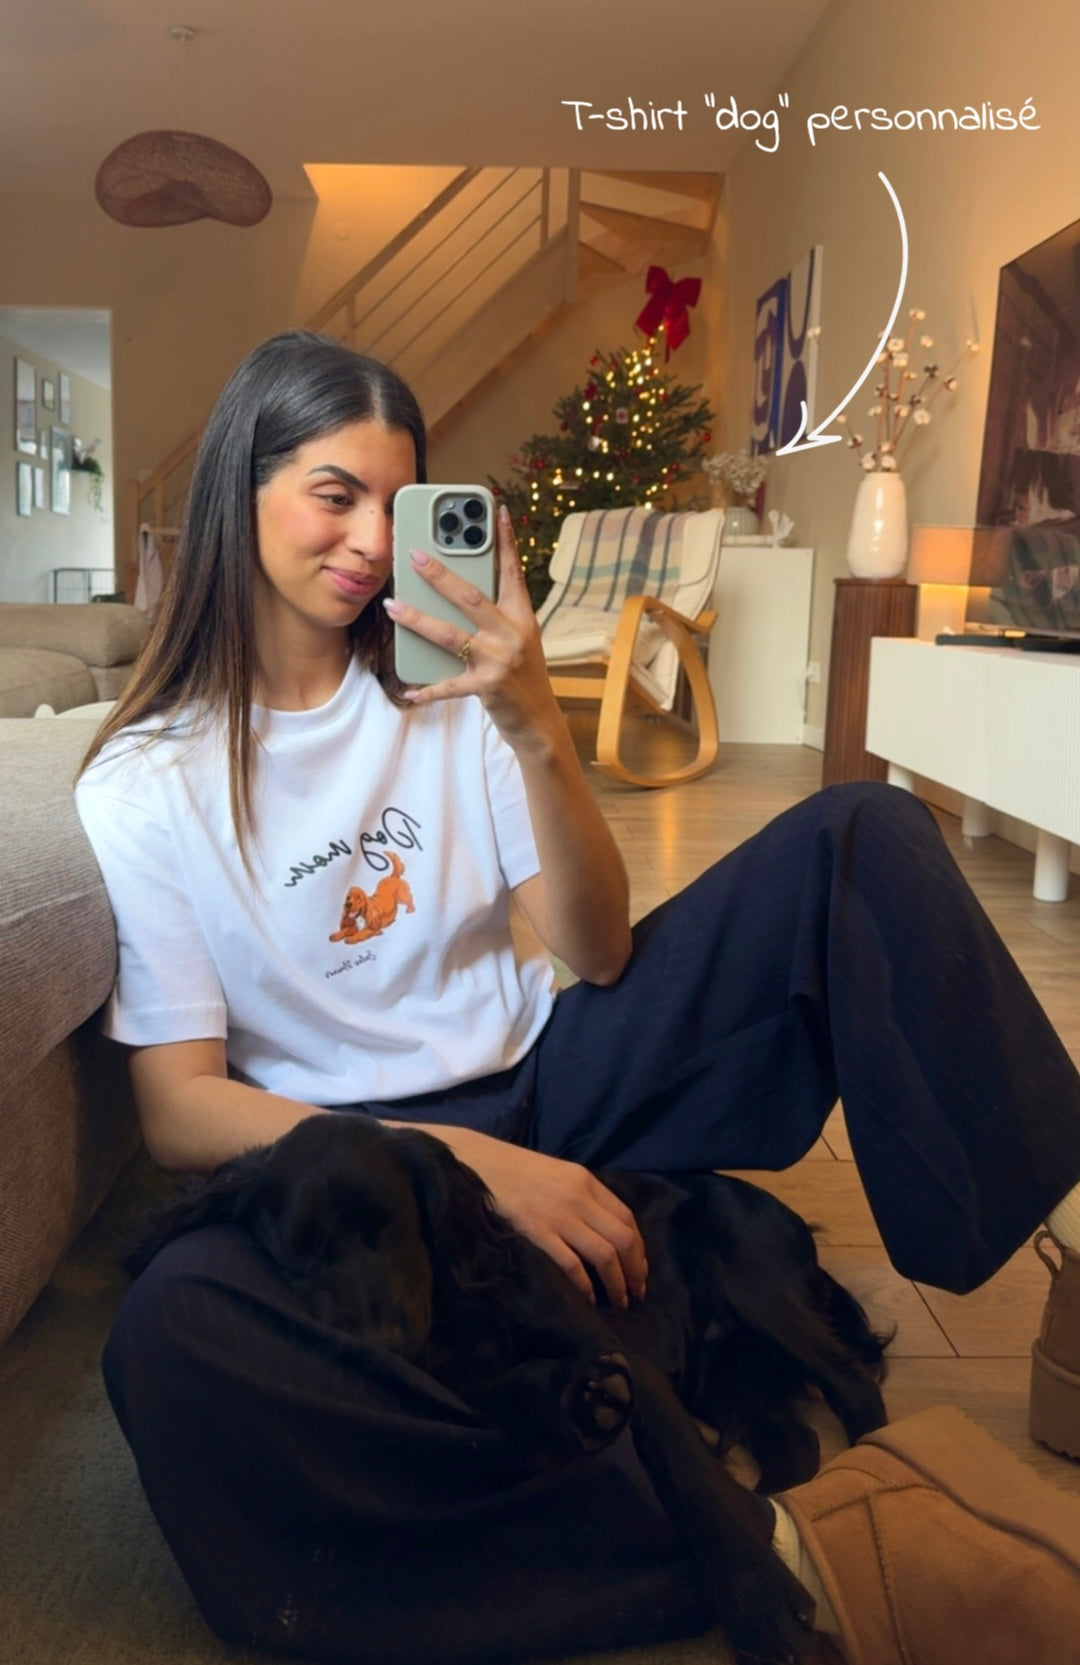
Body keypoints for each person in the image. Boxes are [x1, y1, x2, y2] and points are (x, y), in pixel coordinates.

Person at [75, 331, 1080, 1665]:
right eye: (334, 493)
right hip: (358, 1159)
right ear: (238, 491)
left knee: (862, 835)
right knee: (172, 1336)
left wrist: (536, 718)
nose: (371, 540)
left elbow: (598, 953)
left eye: (400, 501)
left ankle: (1070, 1265)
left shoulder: (452, 694)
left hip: (556, 1075)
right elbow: (180, 1109)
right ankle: (781, 1545)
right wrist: (471, 1172)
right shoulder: (147, 779)